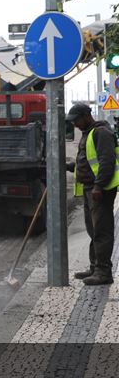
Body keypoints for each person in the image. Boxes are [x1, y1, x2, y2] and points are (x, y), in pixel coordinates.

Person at [65, 103, 117, 286]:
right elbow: (89, 161)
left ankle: (104, 272)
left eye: (77, 120)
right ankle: (95, 267)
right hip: (91, 189)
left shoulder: (101, 132)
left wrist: (98, 186)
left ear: (86, 115)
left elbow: (106, 161)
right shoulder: (89, 133)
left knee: (101, 230)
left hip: (99, 191)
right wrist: (71, 166)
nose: (75, 125)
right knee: (93, 230)